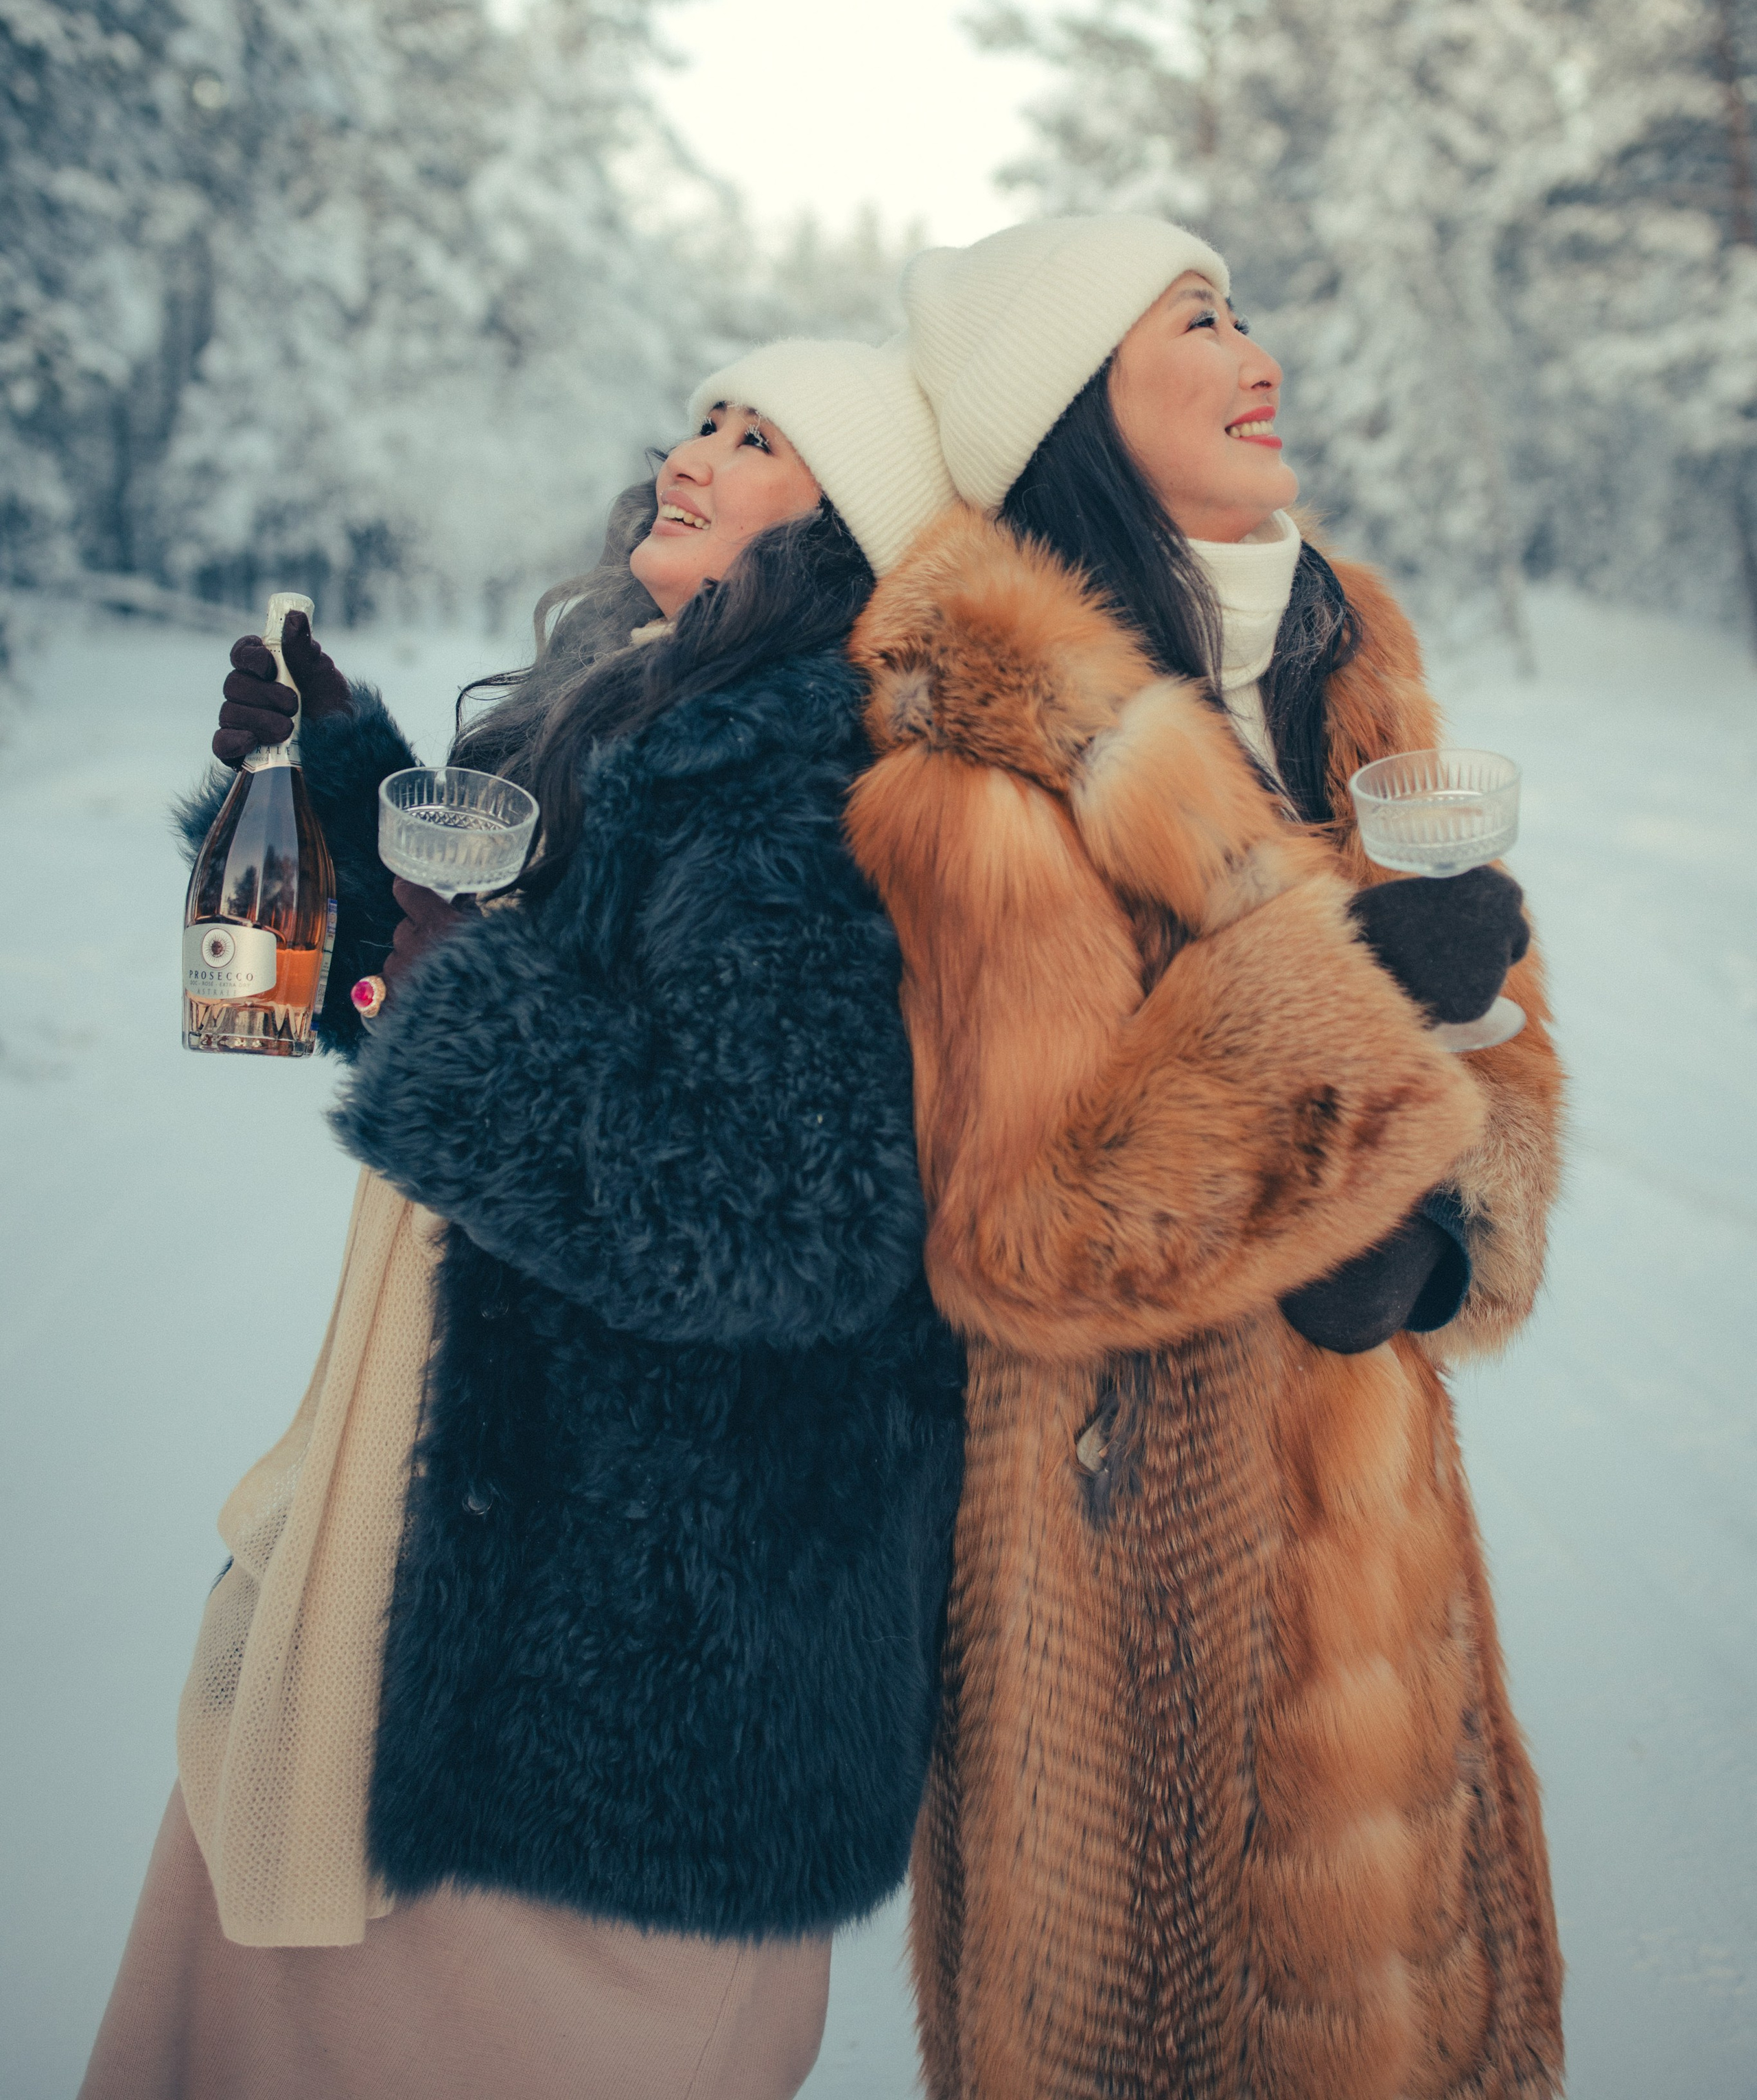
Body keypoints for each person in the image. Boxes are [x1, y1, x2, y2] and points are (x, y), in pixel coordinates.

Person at [82, 341, 964, 2100]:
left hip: (629, 1682)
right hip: (455, 1579)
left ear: (855, 526)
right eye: (698, 418)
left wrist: (462, 1002)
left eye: (757, 436)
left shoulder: (811, 777)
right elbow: (422, 1001)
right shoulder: (638, 716)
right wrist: (328, 783)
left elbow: (778, 1216)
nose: (689, 452)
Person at [843, 216, 1566, 2100]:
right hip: (1136, 1589)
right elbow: (1023, 1236)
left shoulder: (1346, 661)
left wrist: (1455, 1207)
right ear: (1074, 399)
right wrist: (1334, 1022)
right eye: (1196, 317)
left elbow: (1485, 1065)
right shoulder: (982, 767)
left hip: (1380, 1550)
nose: (1258, 349)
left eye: (1244, 308)